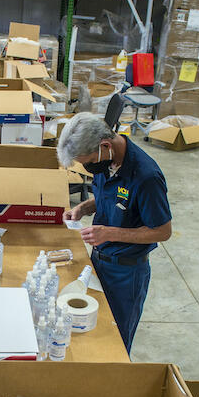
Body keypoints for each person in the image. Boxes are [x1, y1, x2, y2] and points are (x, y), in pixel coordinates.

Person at [57, 112, 172, 353]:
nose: (88, 167)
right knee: (93, 331)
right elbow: (110, 197)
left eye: (87, 161)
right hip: (99, 261)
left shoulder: (146, 176)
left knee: (115, 341)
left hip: (126, 273)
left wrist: (110, 233)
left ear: (105, 146)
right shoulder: (106, 162)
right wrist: (83, 207)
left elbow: (162, 231)